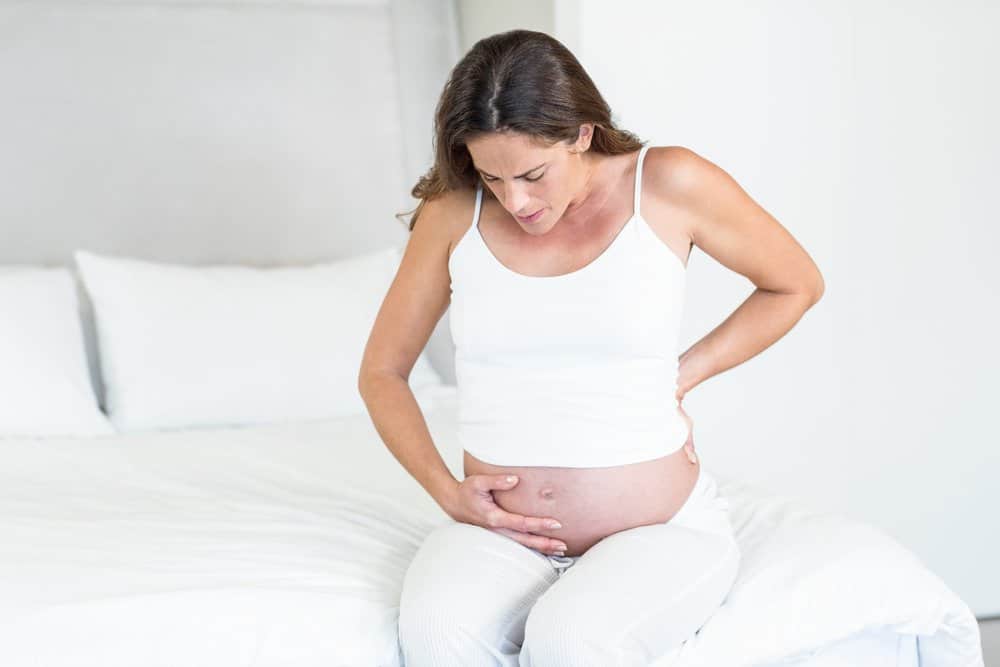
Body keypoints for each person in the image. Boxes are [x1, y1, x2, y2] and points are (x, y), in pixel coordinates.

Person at [358, 28, 824, 666]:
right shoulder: (453, 213)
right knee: (437, 636)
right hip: (505, 534)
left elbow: (794, 284)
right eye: (491, 177)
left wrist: (682, 376)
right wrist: (444, 490)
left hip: (657, 530)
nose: (514, 200)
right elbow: (383, 372)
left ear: (581, 132)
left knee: (570, 642)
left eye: (531, 174)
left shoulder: (667, 184)